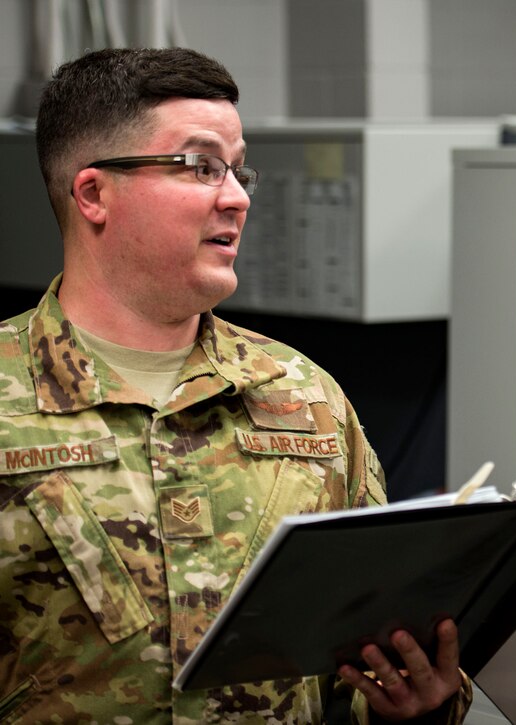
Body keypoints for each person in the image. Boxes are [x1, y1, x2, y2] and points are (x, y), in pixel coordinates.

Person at [0, 47, 469, 723]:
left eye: (237, 168)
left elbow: (358, 667)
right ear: (94, 194)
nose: (238, 196)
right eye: (200, 166)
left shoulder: (304, 398)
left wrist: (416, 703)